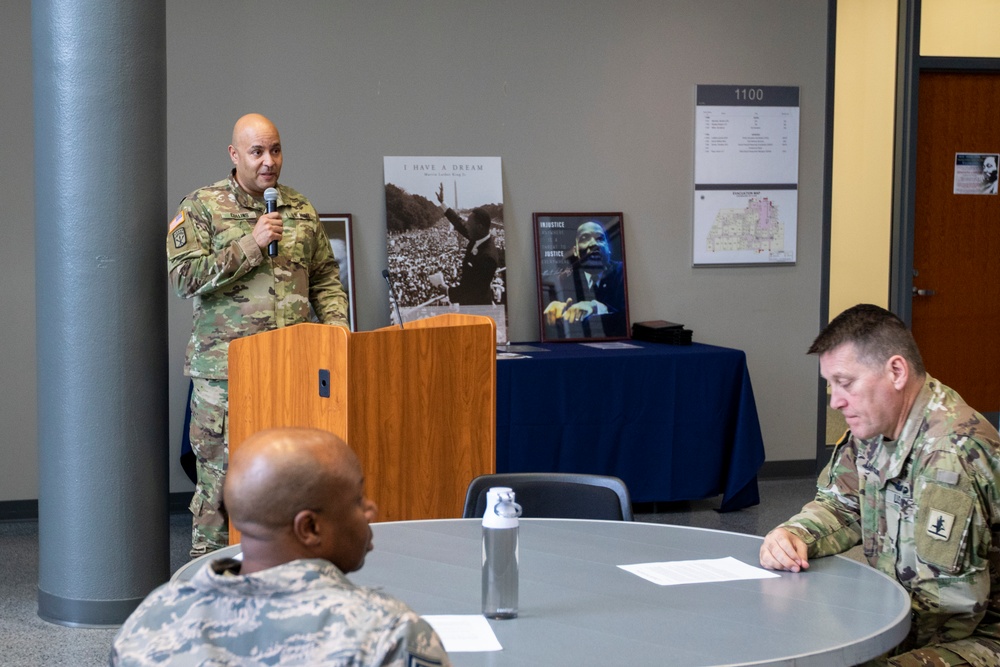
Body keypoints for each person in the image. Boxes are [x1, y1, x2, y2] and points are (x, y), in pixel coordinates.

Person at [759, 304, 1000, 666]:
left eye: (845, 383)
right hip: (904, 614)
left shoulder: (950, 456)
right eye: (831, 385)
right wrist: (796, 534)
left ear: (897, 371)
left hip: (977, 638)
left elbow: (947, 609)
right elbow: (841, 505)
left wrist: (849, 643)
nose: (836, 401)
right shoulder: (877, 424)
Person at [110, 427, 451, 666]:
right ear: (310, 527)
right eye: (358, 499)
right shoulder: (385, 635)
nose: (371, 510)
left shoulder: (151, 620)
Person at [167, 113, 349, 558]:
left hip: (293, 370)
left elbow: (324, 276)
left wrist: (338, 330)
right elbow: (184, 278)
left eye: (276, 150)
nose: (269, 161)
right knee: (220, 486)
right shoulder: (201, 206)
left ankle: (283, 578)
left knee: (291, 480)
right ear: (234, 155)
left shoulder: (300, 208)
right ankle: (211, 589)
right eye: (257, 152)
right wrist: (251, 242)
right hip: (226, 375)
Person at [542, 220, 627, 339]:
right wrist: (556, 311)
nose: (593, 244)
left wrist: (594, 307)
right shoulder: (564, 280)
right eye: (585, 238)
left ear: (608, 248)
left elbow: (626, 320)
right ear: (575, 250)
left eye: (600, 239)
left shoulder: (623, 272)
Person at [433, 182, 499, 305]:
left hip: (478, 306)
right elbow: (458, 223)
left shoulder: (488, 257)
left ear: (479, 227)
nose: (466, 227)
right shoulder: (478, 237)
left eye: (469, 224)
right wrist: (443, 203)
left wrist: (447, 290)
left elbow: (474, 290)